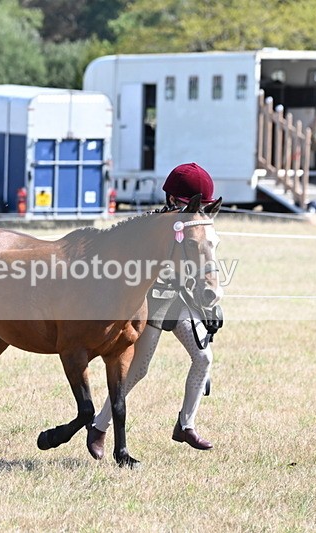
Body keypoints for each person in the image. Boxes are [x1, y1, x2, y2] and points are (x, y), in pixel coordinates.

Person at [87, 162, 223, 457]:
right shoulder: (151, 228)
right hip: (149, 304)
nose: (197, 214)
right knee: (138, 370)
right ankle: (99, 427)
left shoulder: (193, 230)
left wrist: (209, 305)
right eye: (192, 206)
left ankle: (186, 425)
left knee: (203, 358)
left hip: (178, 302)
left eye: (203, 208)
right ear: (173, 201)